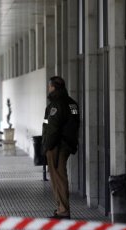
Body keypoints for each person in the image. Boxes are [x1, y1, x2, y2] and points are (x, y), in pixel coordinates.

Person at [42, 76, 80, 219]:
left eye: (49, 86)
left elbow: (52, 128)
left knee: (58, 178)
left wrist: (46, 146)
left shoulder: (55, 106)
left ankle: (63, 210)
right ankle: (61, 209)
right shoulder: (73, 104)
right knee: (60, 177)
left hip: (56, 147)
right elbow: (75, 124)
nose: (48, 89)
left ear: (53, 87)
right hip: (67, 145)